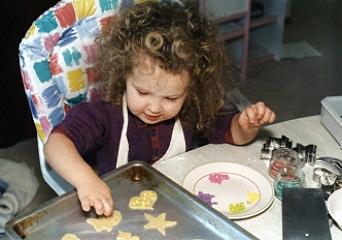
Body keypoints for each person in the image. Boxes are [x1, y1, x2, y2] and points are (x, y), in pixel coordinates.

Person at [44, 0, 276, 218]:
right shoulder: (105, 113)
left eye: (171, 97)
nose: (154, 107)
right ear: (124, 74)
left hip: (174, 207)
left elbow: (229, 132)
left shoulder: (190, 110)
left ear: (190, 88)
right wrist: (86, 180)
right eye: (143, 93)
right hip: (118, 210)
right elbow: (55, 145)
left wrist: (246, 125)